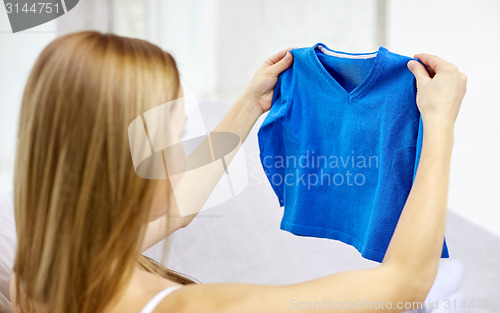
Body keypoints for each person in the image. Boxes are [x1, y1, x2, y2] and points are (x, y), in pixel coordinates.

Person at [9, 31, 466, 313]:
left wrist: (250, 104)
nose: (182, 153)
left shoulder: (48, 273)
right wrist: (439, 124)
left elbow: (182, 207)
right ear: (120, 160)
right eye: (176, 136)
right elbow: (403, 284)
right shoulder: (180, 307)